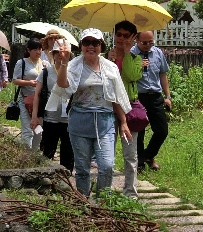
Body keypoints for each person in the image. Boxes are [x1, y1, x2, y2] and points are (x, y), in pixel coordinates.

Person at [55, 27, 131, 197]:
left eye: (95, 42)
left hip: (105, 121)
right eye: (87, 42)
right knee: (82, 168)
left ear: (101, 46)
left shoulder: (110, 68)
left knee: (107, 165)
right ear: (81, 45)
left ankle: (102, 200)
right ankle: (84, 202)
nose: (91, 46)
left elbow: (115, 96)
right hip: (80, 120)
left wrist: (123, 122)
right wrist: (64, 62)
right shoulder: (74, 65)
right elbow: (63, 85)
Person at [31, 30, 74, 172]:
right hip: (50, 117)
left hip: (68, 117)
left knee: (68, 149)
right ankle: (46, 175)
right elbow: (37, 95)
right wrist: (35, 117)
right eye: (57, 54)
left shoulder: (73, 72)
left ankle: (66, 177)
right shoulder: (46, 72)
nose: (61, 57)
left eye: (64, 55)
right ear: (53, 55)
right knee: (48, 148)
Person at [109, 20, 143, 197]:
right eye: (118, 34)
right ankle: (105, 189)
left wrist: (126, 54)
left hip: (128, 108)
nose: (121, 38)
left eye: (125, 35)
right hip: (108, 108)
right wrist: (110, 60)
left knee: (130, 154)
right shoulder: (107, 57)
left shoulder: (136, 58)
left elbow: (132, 76)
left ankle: (130, 191)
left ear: (132, 38)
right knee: (106, 153)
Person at [133, 31, 171, 172]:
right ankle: (139, 163)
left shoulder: (157, 53)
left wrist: (168, 96)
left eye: (151, 42)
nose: (148, 45)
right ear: (137, 40)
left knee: (162, 131)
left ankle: (147, 155)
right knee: (139, 131)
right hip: (139, 97)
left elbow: (163, 74)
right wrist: (138, 67)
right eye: (144, 42)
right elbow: (127, 76)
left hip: (155, 96)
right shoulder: (131, 54)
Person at [13, 38, 45, 150]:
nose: (38, 52)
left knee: (38, 131)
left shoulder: (44, 64)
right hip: (26, 100)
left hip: (40, 102)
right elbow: (15, 80)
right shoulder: (22, 63)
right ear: (28, 50)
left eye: (40, 49)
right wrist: (29, 83)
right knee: (27, 130)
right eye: (35, 49)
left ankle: (35, 155)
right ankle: (25, 156)